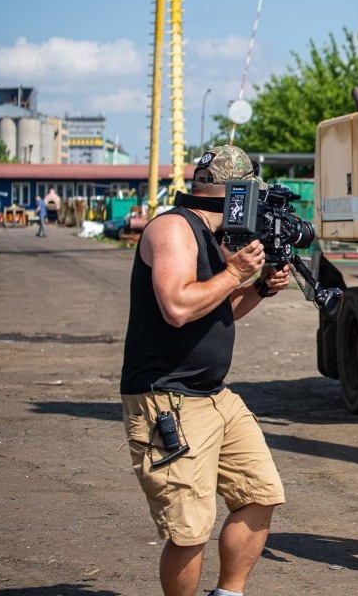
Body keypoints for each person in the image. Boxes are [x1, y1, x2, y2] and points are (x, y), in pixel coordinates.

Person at [120, 145, 290, 596]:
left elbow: (218, 309)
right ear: (240, 192)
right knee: (190, 529)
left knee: (260, 494)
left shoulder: (215, 235)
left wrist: (259, 288)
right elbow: (177, 307)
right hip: (167, 400)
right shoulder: (174, 230)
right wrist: (234, 272)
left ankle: (228, 594)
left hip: (214, 396)